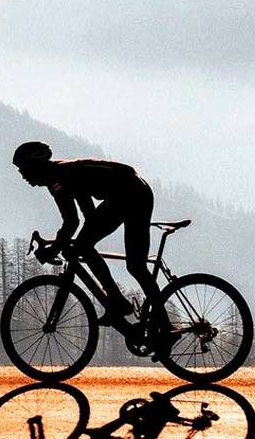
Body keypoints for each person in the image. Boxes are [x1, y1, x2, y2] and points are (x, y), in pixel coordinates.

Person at [11, 141, 171, 336]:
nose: (22, 176)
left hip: (131, 193)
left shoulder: (61, 175)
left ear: (35, 165)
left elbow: (75, 221)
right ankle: (134, 309)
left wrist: (57, 247)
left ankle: (124, 305)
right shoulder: (56, 179)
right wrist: (59, 244)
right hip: (131, 191)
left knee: (125, 262)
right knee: (96, 249)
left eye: (23, 170)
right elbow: (79, 219)